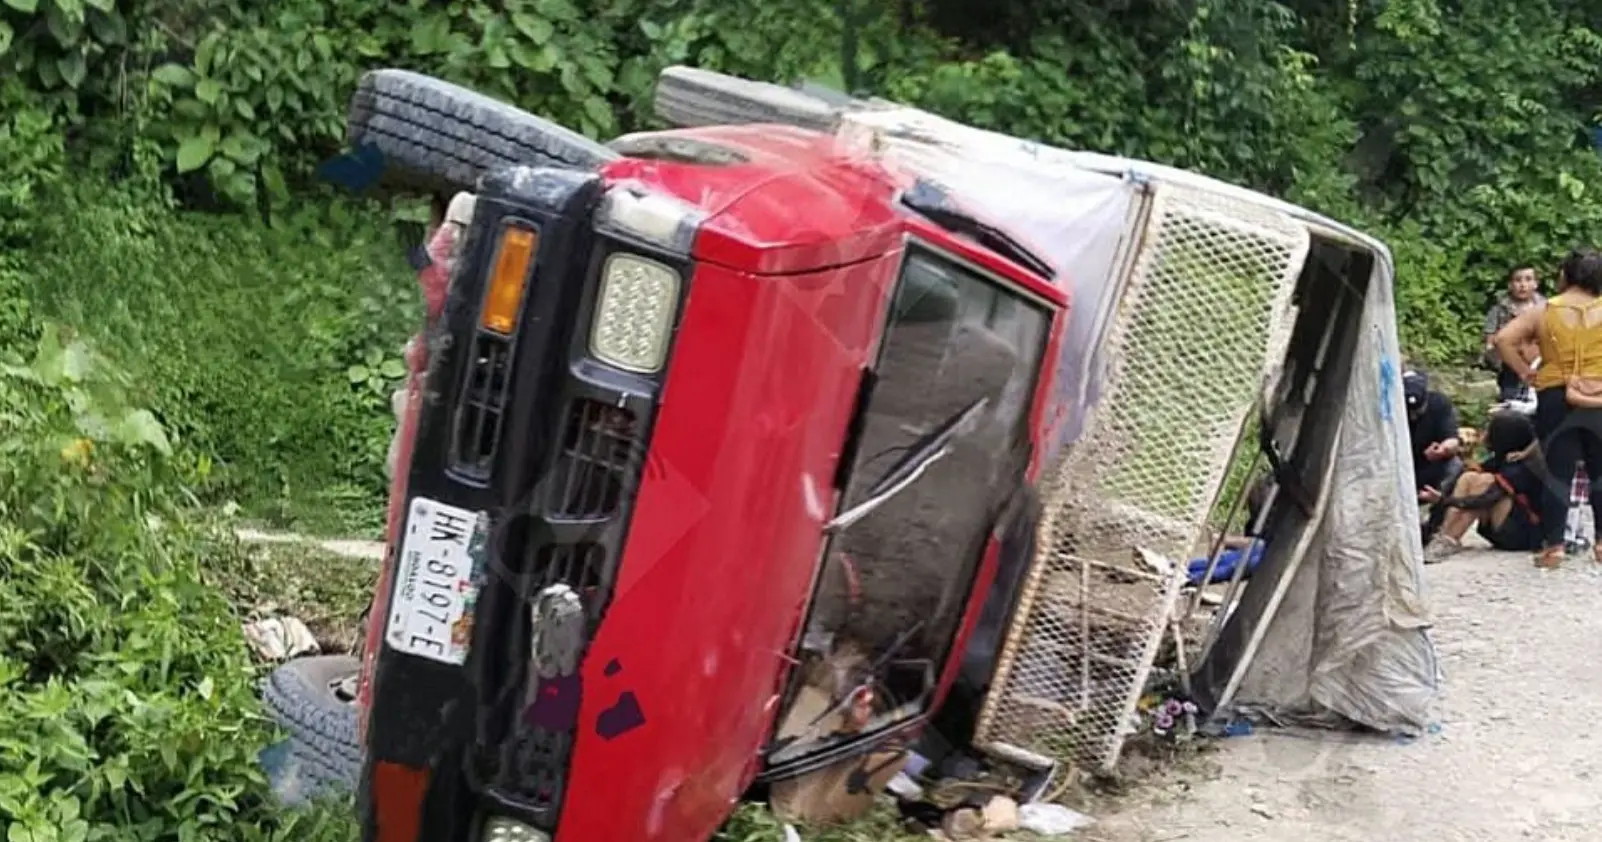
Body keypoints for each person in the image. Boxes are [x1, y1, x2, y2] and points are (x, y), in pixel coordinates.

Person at [1493, 247, 1602, 568]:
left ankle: (1554, 546)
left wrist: (1526, 372)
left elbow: (1503, 340)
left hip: (1556, 393)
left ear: (1566, 274)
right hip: (1598, 393)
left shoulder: (1544, 310)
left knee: (1559, 470)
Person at [1422, 412, 1546, 563]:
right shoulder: (1499, 459)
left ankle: (1450, 539)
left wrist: (1444, 500)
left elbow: (1485, 499)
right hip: (1496, 528)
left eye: (1490, 430)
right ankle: (1445, 536)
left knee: (1486, 480)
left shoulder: (1522, 467)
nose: (1485, 434)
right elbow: (1457, 484)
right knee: (1469, 476)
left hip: (1521, 534)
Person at [1484, 265, 1545, 401]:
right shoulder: (1499, 310)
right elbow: (1490, 341)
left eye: (1528, 280)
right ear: (1510, 285)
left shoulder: (1545, 308)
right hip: (1508, 363)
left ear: (1536, 284)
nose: (1523, 285)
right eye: (1518, 280)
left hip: (1539, 361)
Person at [1404, 370, 1463, 507]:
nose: (1413, 417)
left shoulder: (1439, 404)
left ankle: (1438, 509)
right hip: (1399, 465)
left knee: (1455, 465)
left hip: (1427, 465)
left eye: (1417, 412)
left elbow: (1452, 439)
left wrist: (1442, 449)